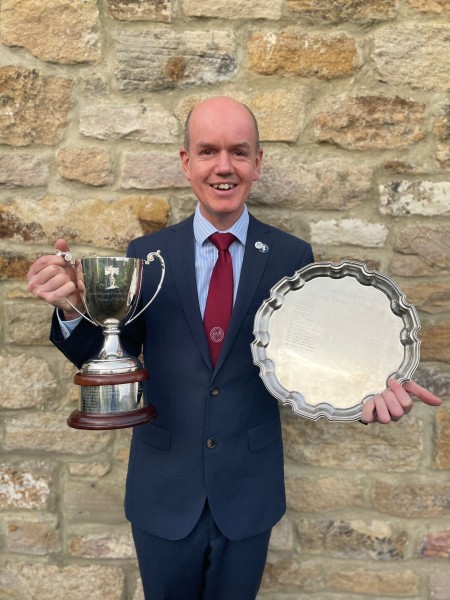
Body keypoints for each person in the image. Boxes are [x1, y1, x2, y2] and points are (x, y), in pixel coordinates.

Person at [27, 96, 442, 600]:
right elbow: (117, 353)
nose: (224, 166)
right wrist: (73, 309)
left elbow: (310, 362)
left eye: (239, 152)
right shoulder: (146, 256)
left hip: (248, 492)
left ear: (258, 163)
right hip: (163, 489)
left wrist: (363, 396)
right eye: (207, 151)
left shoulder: (293, 256)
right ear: (186, 163)